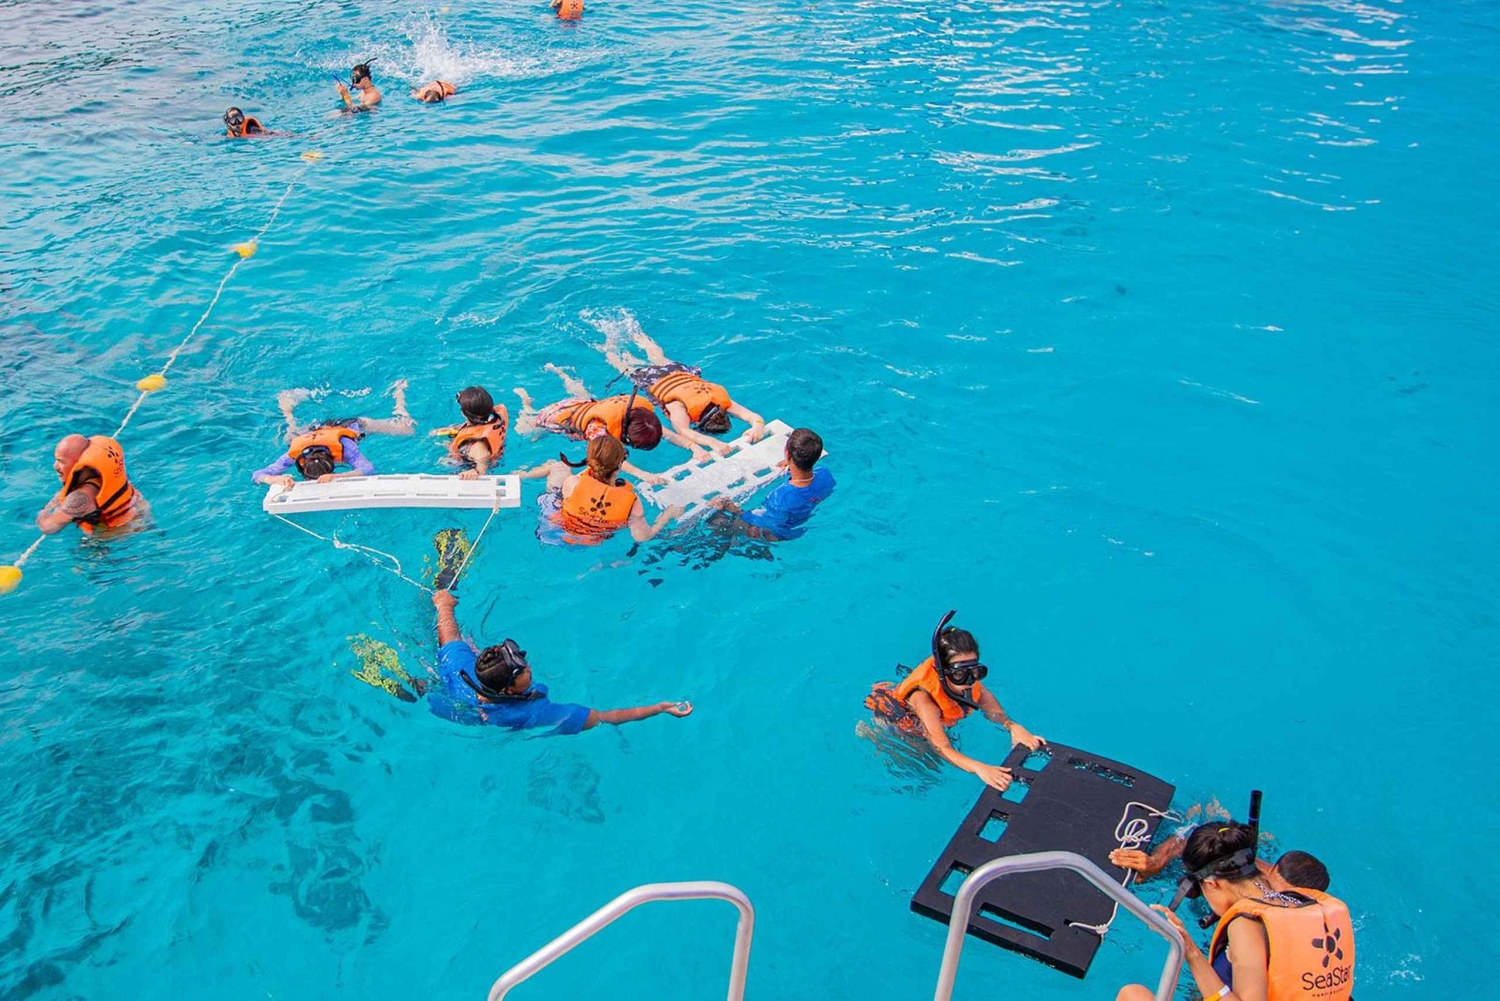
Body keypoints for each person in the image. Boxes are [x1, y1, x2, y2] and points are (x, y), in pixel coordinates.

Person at [1116, 823, 1355, 1001]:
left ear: (1211, 884)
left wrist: (1189, 950)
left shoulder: (1246, 924)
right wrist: (1158, 860)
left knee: (1133, 995)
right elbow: (1210, 840)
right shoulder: (1300, 899)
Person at [429, 589, 693, 734]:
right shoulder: (532, 713)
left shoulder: (462, 668)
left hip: (454, 699)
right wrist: (659, 707)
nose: (529, 667)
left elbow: (449, 635)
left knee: (464, 642)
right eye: (523, 671)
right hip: (481, 718)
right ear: (508, 689)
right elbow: (603, 717)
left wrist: (444, 605)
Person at [862, 611, 1044, 790]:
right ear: (942, 671)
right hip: (898, 724)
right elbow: (942, 747)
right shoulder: (924, 700)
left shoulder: (968, 680)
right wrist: (980, 768)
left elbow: (993, 710)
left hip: (937, 714)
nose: (969, 681)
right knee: (926, 769)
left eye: (975, 671)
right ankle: (869, 733)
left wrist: (1013, 727)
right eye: (959, 674)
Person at [598, 324, 767, 454]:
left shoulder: (722, 402)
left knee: (658, 357)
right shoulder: (680, 408)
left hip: (678, 371)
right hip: (655, 381)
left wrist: (758, 425)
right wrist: (711, 442)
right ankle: (609, 348)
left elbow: (753, 417)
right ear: (699, 423)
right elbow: (683, 431)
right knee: (626, 367)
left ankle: (637, 334)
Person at [514, 363, 680, 482]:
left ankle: (561, 373)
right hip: (552, 418)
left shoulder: (638, 414)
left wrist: (691, 446)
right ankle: (526, 403)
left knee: (583, 395)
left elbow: (665, 432)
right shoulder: (597, 429)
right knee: (526, 432)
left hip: (580, 405)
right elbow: (611, 460)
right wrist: (643, 474)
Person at [522, 435, 682, 546]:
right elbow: (642, 537)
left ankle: (522, 475)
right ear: (619, 466)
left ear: (589, 461)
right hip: (591, 542)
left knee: (558, 466)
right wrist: (667, 515)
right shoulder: (632, 503)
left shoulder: (573, 483)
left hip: (556, 531)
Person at [251, 381, 413, 489]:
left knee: (407, 430)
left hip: (352, 425)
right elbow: (257, 475)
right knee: (291, 438)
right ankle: (288, 414)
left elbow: (369, 469)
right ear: (302, 462)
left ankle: (399, 395)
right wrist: (275, 479)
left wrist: (339, 477)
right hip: (315, 431)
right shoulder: (294, 455)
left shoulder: (345, 447)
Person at [707, 427, 833, 540]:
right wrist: (791, 463)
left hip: (773, 533)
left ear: (787, 453)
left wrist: (732, 508)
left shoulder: (781, 496)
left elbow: (762, 522)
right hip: (797, 527)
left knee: (715, 520)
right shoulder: (825, 474)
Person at [35, 434, 148, 535]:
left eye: (61, 461)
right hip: (140, 511)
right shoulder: (103, 472)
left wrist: (43, 512)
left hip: (117, 536)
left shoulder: (79, 498)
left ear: (79, 464)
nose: (55, 466)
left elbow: (48, 527)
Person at [432, 386, 507, 479]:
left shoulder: (478, 446)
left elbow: (483, 467)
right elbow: (467, 429)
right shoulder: (490, 421)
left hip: (466, 466)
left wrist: (475, 471)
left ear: (463, 413)